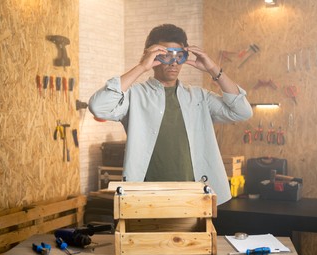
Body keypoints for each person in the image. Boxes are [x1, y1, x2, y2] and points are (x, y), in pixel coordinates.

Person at [88, 24, 253, 205]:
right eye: (166, 55)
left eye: (179, 56)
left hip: (195, 195)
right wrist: (142, 66)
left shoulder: (199, 97)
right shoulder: (134, 95)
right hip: (144, 195)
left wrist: (213, 68)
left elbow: (242, 111)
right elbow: (99, 107)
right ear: (151, 55)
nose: (174, 62)